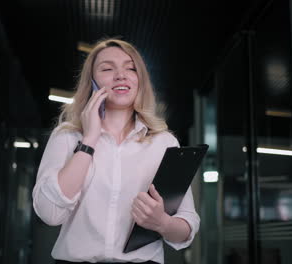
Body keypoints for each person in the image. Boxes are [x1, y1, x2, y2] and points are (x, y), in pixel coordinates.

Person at [32, 38, 200, 264]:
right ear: (91, 82)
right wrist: (89, 140)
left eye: (131, 68)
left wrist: (162, 223)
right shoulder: (67, 136)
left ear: (140, 80)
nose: (121, 75)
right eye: (107, 68)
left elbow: (187, 226)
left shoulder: (164, 143)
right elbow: (49, 213)